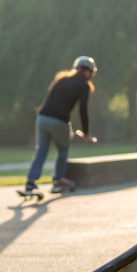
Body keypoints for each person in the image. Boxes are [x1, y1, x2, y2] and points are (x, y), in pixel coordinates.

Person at [24, 56, 98, 194]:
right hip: (59, 120)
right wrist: (86, 133)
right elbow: (83, 110)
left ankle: (30, 182)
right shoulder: (84, 85)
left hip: (42, 118)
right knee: (63, 150)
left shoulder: (62, 79)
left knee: (41, 151)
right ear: (89, 72)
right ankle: (58, 180)